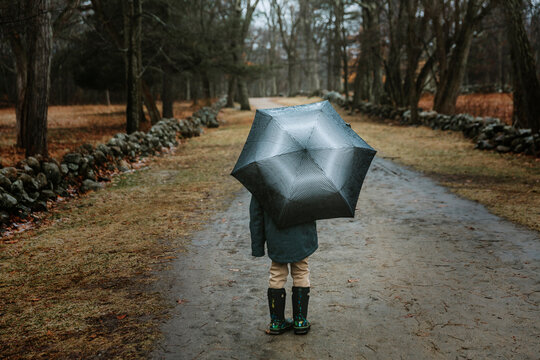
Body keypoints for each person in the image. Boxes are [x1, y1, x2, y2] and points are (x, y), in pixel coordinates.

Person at [249, 195, 318, 335]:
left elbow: (256, 215)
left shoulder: (261, 179)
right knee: (301, 271)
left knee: (277, 274)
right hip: (301, 237)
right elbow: (315, 206)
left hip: (276, 238)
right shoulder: (305, 177)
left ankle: (276, 322)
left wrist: (258, 246)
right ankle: (300, 321)